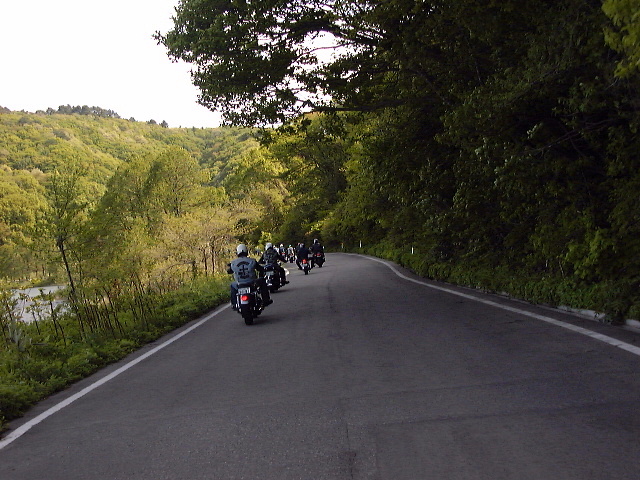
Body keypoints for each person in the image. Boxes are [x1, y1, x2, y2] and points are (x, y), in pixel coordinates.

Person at [227, 244, 272, 310]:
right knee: (262, 280)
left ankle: (234, 304)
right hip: (252, 283)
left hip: (239, 284)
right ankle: (266, 300)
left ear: (237, 252)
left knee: (232, 285)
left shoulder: (233, 263)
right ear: (246, 251)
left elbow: (229, 271)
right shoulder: (252, 260)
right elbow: (260, 269)